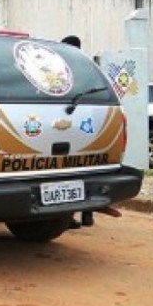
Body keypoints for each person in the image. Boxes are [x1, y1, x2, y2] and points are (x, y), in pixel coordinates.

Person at [61, 35, 95, 229]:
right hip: (87, 122)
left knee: (67, 168)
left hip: (68, 121)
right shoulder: (86, 65)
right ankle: (87, 214)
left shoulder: (61, 69)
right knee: (85, 166)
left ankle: (67, 217)